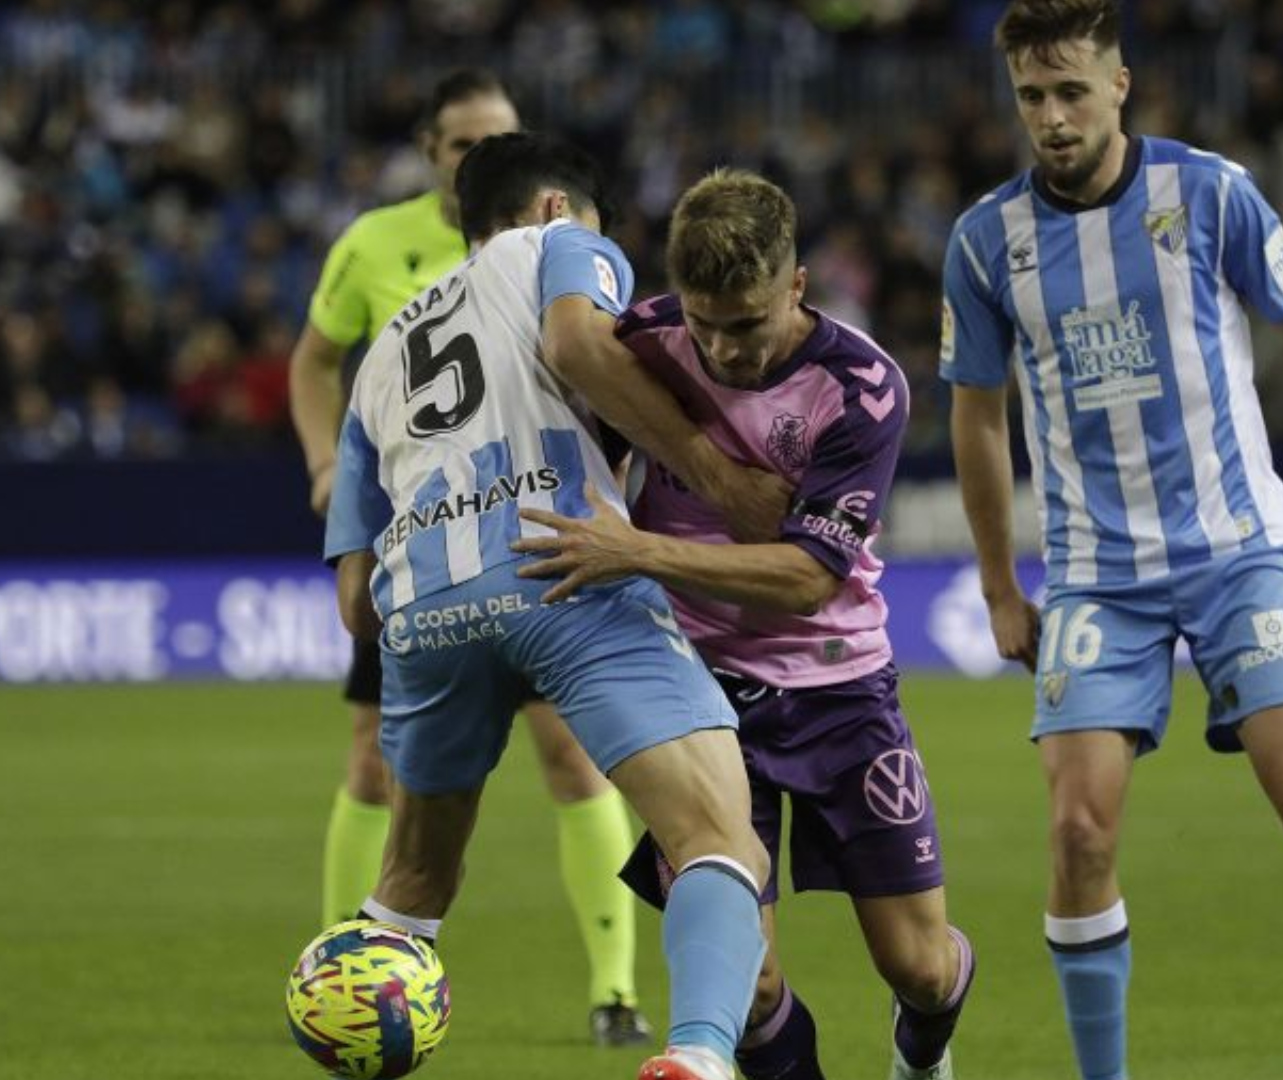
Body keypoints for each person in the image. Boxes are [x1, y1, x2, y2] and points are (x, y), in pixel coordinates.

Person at [941, 4, 1283, 1079]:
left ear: (1120, 84)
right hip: (1095, 578)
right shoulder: (985, 241)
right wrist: (997, 584)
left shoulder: (1211, 193)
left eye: (1071, 91)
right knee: (1078, 834)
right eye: (1032, 97)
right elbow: (979, 418)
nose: (1052, 117)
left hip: (1235, 554)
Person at [324, 131, 783, 1080]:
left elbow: (355, 602)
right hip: (562, 565)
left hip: (422, 610)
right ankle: (700, 1058)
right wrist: (715, 477)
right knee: (716, 835)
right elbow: (576, 342)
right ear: (553, 207)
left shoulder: (379, 359)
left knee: (412, 888)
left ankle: (350, 1024)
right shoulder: (559, 244)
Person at [512, 170, 975, 1080]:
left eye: (748, 324)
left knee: (919, 968)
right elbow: (567, 360)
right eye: (705, 324)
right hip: (696, 694)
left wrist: (639, 551)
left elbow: (806, 579)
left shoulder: (861, 386)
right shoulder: (643, 344)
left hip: (840, 686)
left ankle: (923, 1052)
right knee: (747, 986)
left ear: (796, 285)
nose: (724, 351)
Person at [288, 69, 650, 1045]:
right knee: (374, 761)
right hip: (418, 542)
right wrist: (328, 472)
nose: (473, 155)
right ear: (430, 152)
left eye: (494, 138)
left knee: (571, 756)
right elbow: (314, 361)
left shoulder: (539, 245)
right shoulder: (375, 244)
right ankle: (348, 974)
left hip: (532, 529)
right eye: (458, 143)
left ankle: (615, 990)